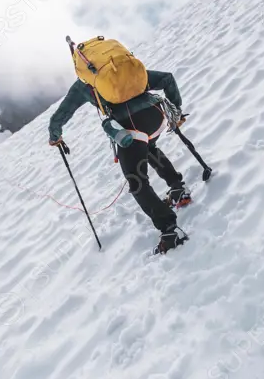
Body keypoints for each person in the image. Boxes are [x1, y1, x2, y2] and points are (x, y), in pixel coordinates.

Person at [48, 40, 192, 254]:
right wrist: (176, 112)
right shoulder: (124, 71)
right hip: (156, 115)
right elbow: (166, 78)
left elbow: (62, 114)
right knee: (149, 149)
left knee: (137, 181)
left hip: (130, 129)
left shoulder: (85, 85)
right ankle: (178, 189)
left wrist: (55, 135)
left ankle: (169, 229)